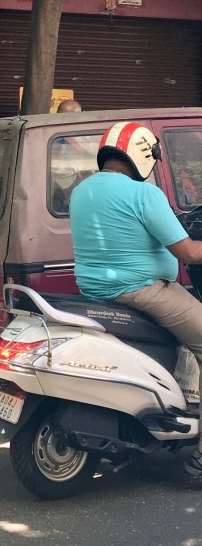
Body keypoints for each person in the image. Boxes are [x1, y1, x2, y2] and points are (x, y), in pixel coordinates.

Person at [70, 120, 202, 486]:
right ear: (143, 156)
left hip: (95, 291)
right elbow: (188, 252)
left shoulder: (82, 191)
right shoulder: (144, 195)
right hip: (143, 290)